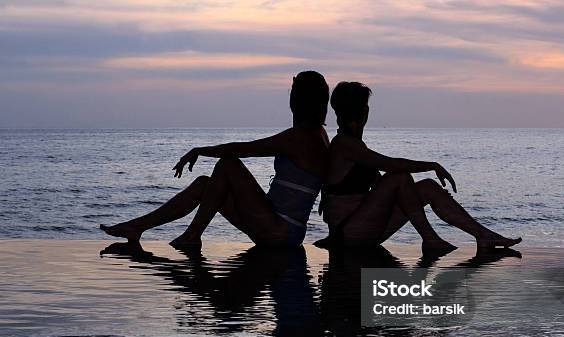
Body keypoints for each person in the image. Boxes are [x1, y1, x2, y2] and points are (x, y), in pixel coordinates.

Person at [101, 71, 329, 249]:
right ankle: (136, 227)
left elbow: (243, 149)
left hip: (280, 230)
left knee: (228, 164)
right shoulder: (316, 134)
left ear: (298, 100)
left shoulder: (300, 137)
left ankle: (192, 235)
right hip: (276, 226)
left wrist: (200, 150)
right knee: (203, 184)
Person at [319, 81, 521, 252]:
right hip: (349, 233)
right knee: (399, 176)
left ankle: (483, 235)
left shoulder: (355, 146)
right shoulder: (343, 144)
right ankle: (430, 239)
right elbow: (391, 166)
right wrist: (431, 165)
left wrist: (415, 191)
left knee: (428, 187)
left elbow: (383, 190)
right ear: (365, 112)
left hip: (367, 227)